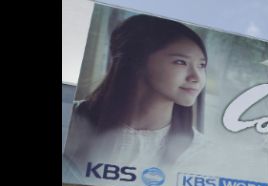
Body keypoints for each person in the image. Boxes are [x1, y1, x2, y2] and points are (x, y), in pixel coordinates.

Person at [63, 14, 208, 173]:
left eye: (201, 65)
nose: (196, 77)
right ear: (137, 61)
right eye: (181, 62)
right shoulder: (71, 119)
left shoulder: (200, 152)